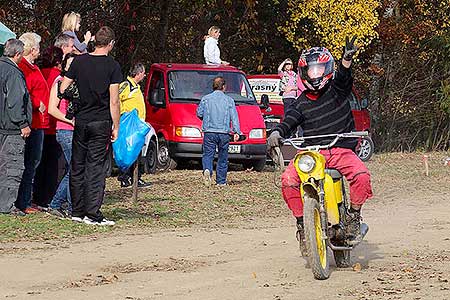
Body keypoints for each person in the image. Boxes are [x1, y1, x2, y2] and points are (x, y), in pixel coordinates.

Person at [267, 37, 373, 245]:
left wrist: (346, 60)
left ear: (327, 69)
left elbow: (343, 78)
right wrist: (276, 133)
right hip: (312, 154)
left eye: (319, 69)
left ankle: (352, 218)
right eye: (310, 70)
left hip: (341, 149)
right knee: (288, 181)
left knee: (361, 176)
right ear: (303, 73)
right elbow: (288, 122)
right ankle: (302, 225)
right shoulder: (300, 103)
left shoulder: (337, 91)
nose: (315, 74)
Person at [60, 26, 122, 226]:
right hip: (100, 121)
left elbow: (63, 87)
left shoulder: (79, 61)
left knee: (78, 165)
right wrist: (117, 126)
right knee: (95, 168)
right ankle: (92, 213)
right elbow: (114, 101)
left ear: (95, 41)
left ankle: (77, 211)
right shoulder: (113, 66)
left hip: (81, 121)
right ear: (111, 44)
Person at [16, 32, 50, 214]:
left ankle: (28, 198)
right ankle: (23, 201)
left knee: (34, 162)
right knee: (30, 162)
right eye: (37, 46)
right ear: (31, 48)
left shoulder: (33, 67)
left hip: (39, 121)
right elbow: (23, 93)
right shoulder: (23, 68)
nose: (39, 50)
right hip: (33, 120)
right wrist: (38, 104)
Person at [0, 39, 32, 216]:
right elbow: (15, 101)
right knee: (12, 167)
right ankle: (6, 205)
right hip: (11, 128)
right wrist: (23, 123)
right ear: (18, 54)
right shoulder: (13, 72)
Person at [32, 46, 65, 210]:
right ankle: (48, 197)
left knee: (39, 163)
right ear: (59, 61)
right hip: (53, 124)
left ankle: (37, 196)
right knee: (53, 165)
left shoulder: (38, 71)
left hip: (40, 123)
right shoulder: (58, 77)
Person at [196, 76, 241, 186]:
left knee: (208, 154)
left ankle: (207, 169)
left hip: (209, 132)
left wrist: (206, 118)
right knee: (223, 157)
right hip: (224, 132)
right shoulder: (229, 100)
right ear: (224, 87)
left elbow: (199, 113)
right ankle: (221, 181)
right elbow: (234, 117)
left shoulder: (206, 99)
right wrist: (236, 131)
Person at [47, 54, 76, 218]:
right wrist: (70, 120)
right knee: (75, 168)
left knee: (74, 168)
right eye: (70, 64)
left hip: (75, 131)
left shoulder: (77, 84)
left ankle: (59, 204)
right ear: (64, 66)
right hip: (65, 130)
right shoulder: (59, 83)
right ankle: (63, 205)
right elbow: (52, 108)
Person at [117, 62, 151, 188]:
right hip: (128, 124)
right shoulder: (126, 85)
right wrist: (122, 114)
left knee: (136, 150)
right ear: (138, 73)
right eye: (143, 73)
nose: (144, 75)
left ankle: (136, 177)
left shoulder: (135, 86)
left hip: (138, 125)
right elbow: (116, 98)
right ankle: (125, 177)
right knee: (128, 150)